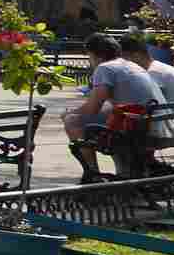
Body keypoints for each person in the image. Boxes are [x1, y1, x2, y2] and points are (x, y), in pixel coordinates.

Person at [65, 33, 160, 180]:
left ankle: (93, 174)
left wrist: (70, 113)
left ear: (97, 55)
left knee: (72, 121)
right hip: (154, 124)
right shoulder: (131, 65)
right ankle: (122, 170)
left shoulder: (105, 68)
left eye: (89, 56)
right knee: (108, 117)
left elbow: (93, 108)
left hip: (134, 128)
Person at [121, 36, 174, 149]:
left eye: (125, 60)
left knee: (128, 129)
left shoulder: (152, 73)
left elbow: (146, 102)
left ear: (137, 56)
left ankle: (138, 163)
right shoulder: (160, 67)